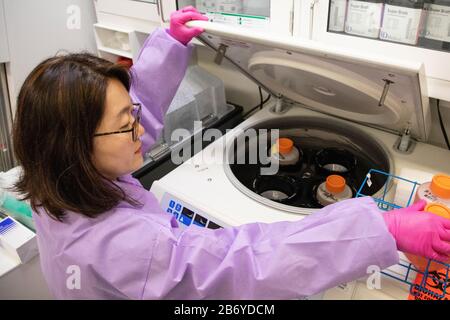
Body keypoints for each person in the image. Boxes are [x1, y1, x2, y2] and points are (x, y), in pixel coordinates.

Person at [12, 6, 450, 300]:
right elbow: (242, 266)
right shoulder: (126, 246)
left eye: (134, 113)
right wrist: (381, 229)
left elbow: (123, 118)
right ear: (74, 146)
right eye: (128, 124)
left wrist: (168, 46)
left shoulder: (61, 179)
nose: (140, 130)